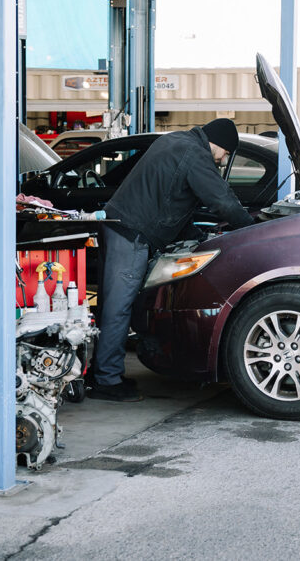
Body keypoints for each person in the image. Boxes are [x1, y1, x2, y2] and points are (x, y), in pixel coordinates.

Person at [90, 118, 254, 401]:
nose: (223, 158)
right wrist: (251, 230)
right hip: (131, 235)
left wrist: (197, 234)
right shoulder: (195, 154)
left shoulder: (177, 141)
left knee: (112, 307)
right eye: (226, 153)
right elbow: (222, 200)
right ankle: (106, 381)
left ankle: (103, 373)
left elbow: (172, 198)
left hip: (119, 228)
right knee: (118, 308)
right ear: (218, 143)